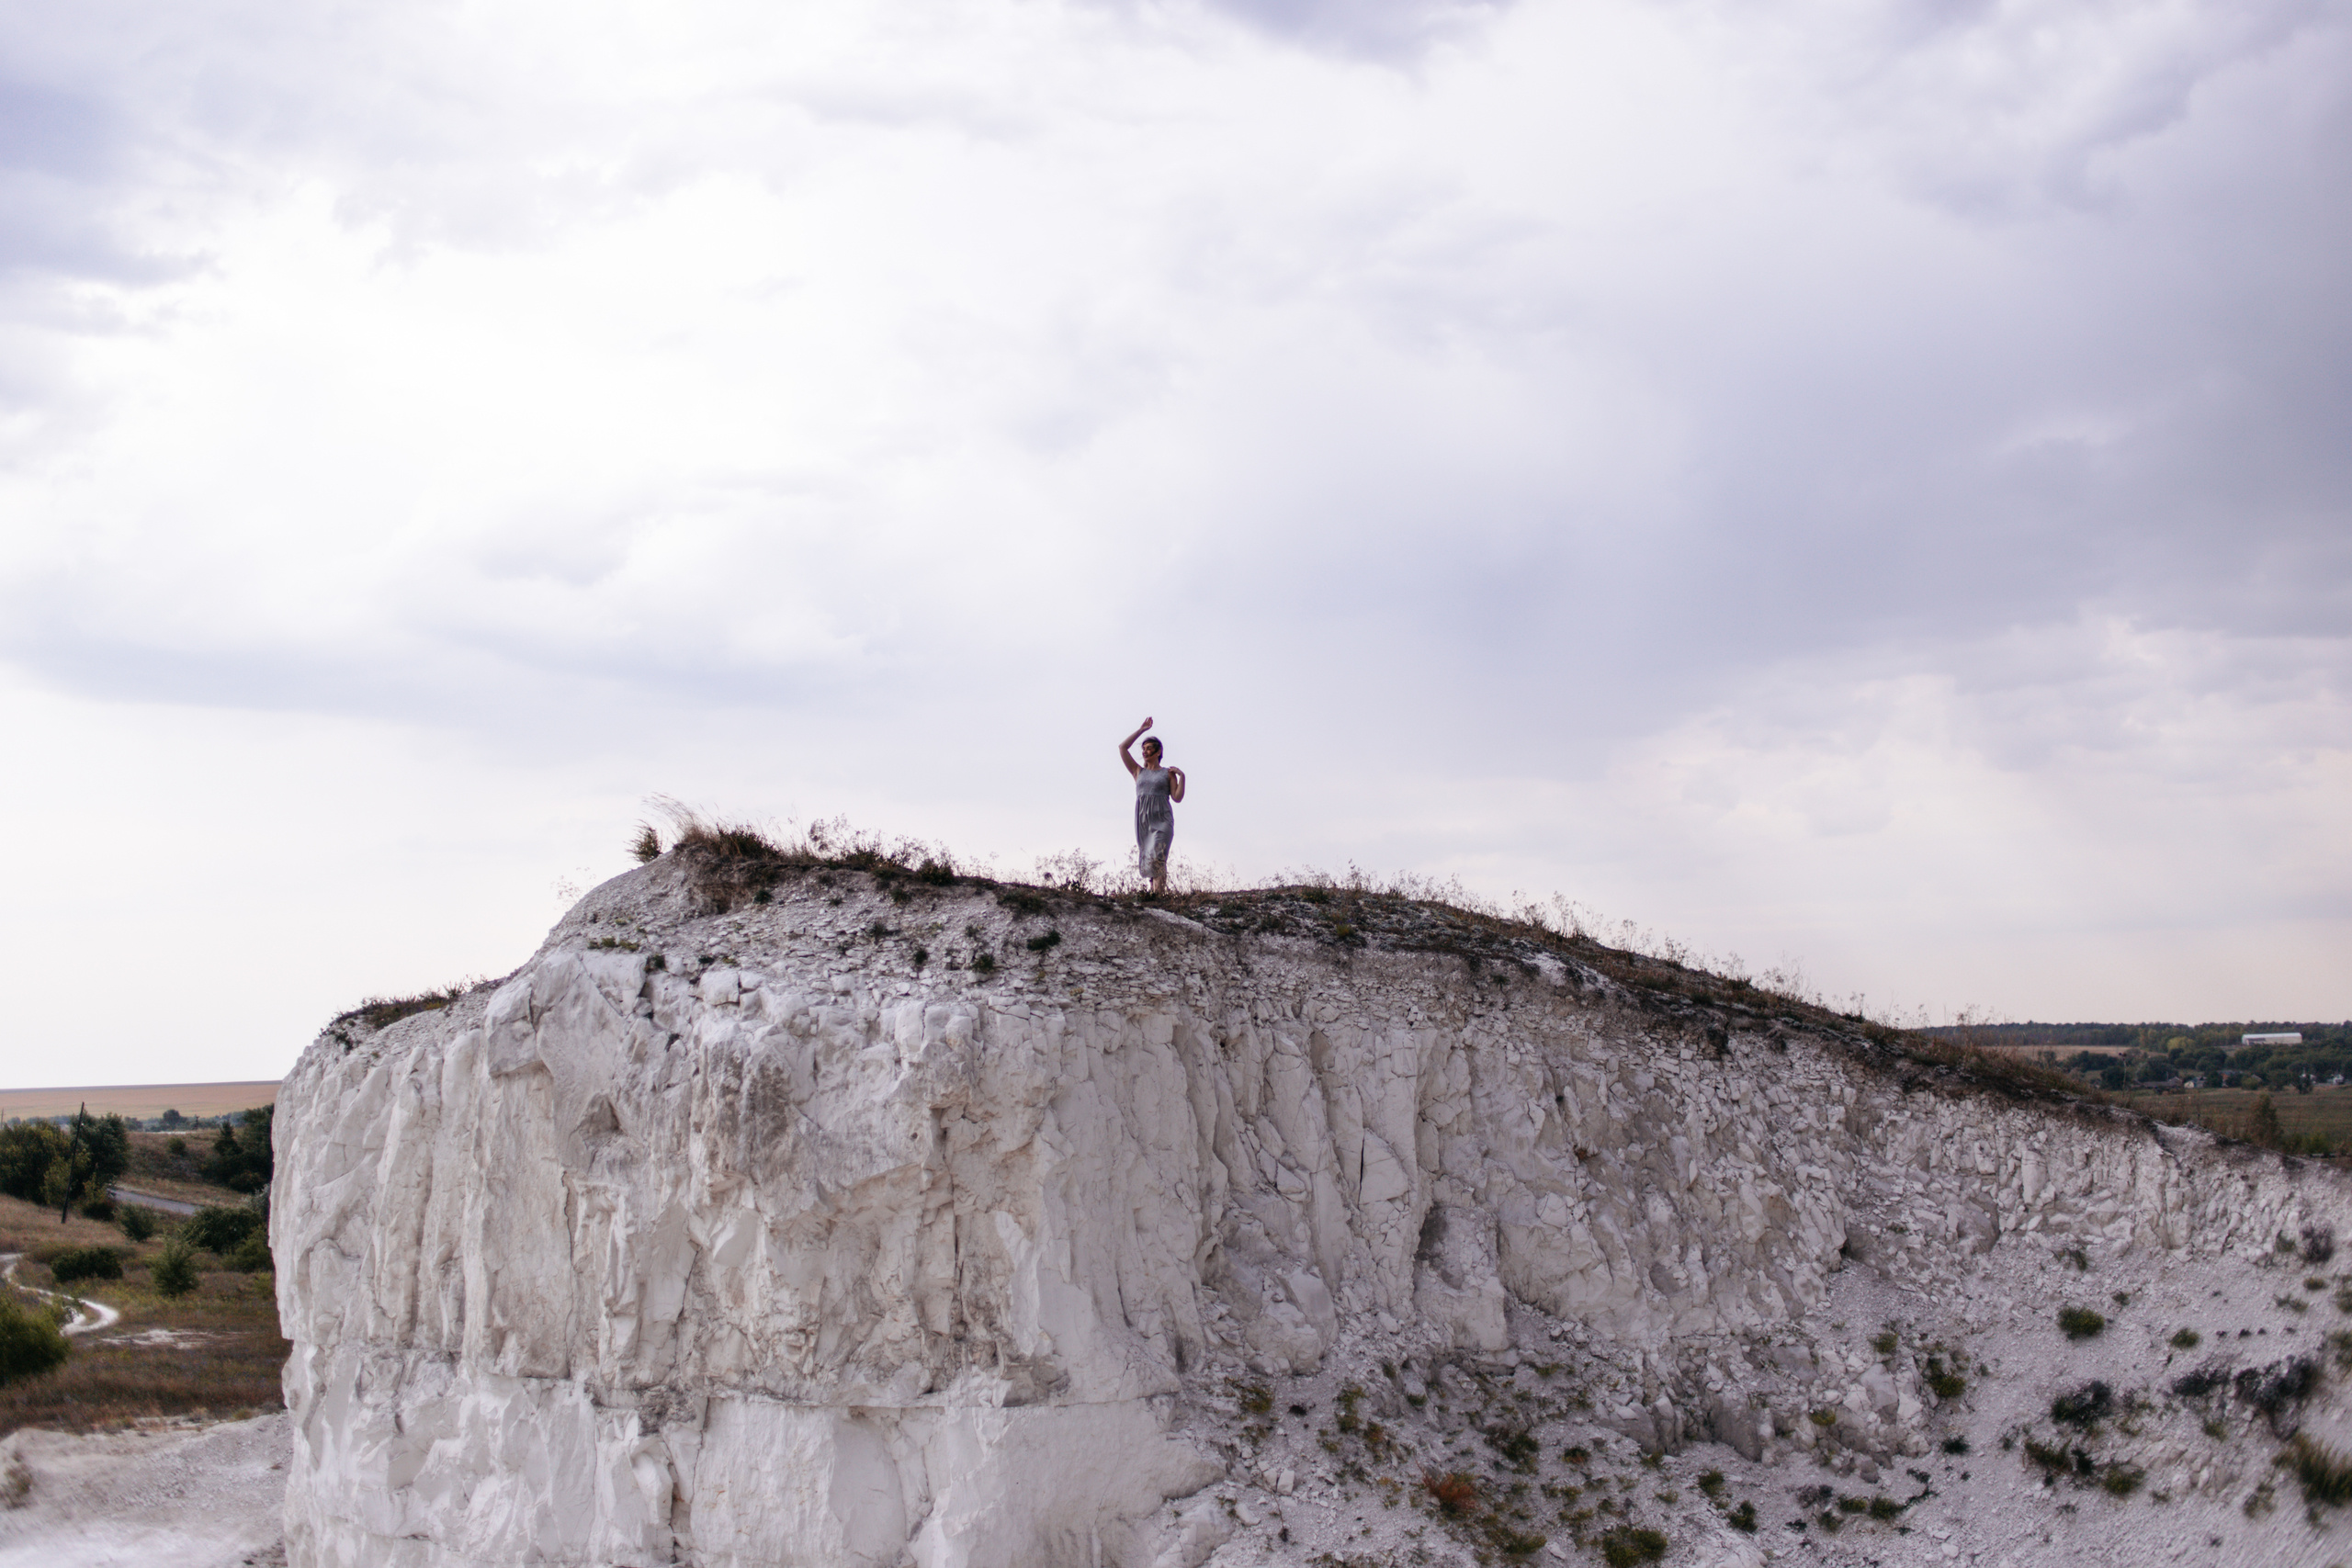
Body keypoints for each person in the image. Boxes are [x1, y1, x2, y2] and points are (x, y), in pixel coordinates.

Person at [1118, 716, 1186, 894]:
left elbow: (1177, 798)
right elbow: (1122, 748)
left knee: (1158, 856)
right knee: (1149, 859)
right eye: (1143, 749)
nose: (1145, 752)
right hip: (1143, 821)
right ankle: (1153, 896)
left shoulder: (1167, 773)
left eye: (1149, 748)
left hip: (1162, 820)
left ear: (1158, 752)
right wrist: (1141, 731)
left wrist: (1182, 777)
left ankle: (1158, 897)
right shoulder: (1137, 771)